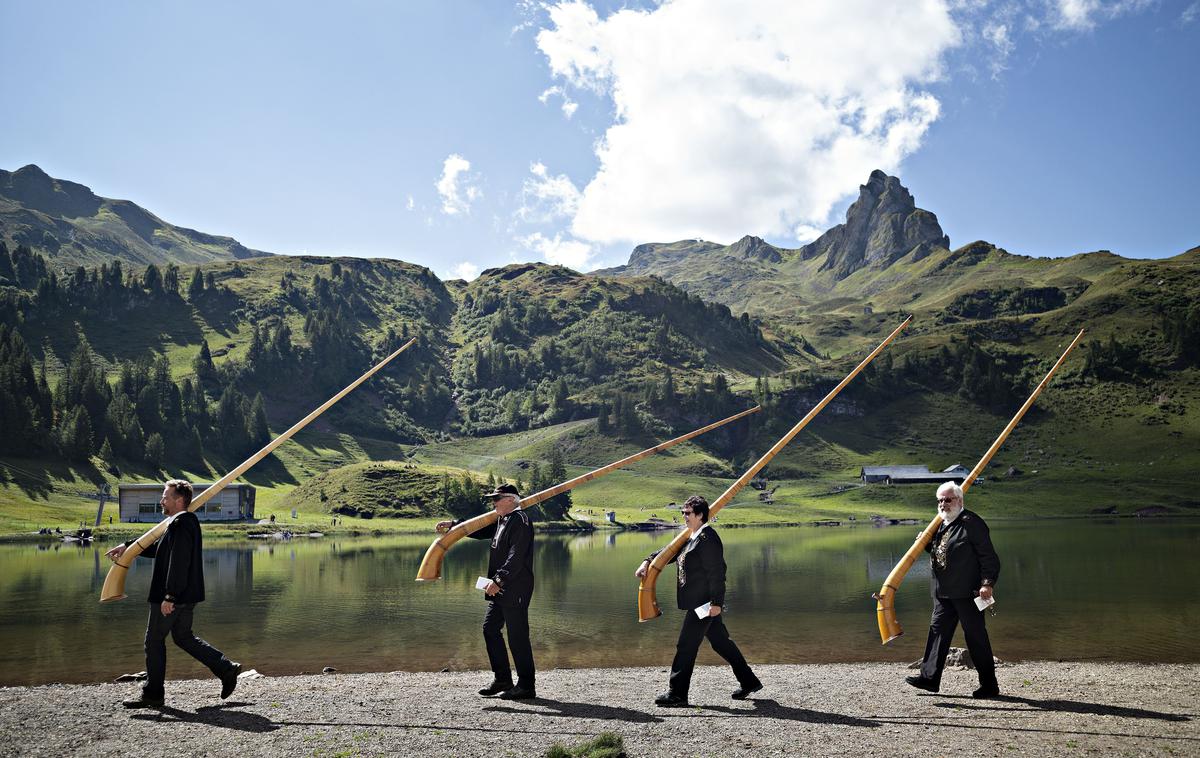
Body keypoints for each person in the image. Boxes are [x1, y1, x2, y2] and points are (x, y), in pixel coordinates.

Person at [105, 480, 241, 708]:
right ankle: (225, 669)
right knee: (183, 637)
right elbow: (160, 549)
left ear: (179, 500)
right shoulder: (180, 522)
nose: (161, 501)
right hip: (185, 595)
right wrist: (127, 547)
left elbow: (179, 562)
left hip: (174, 596)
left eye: (165, 497)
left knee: (154, 640)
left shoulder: (181, 523)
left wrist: (170, 596)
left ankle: (153, 695)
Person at [635, 495, 761, 707]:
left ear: (700, 515)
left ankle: (677, 693)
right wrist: (647, 561)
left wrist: (716, 604)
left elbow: (717, 573)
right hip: (698, 603)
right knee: (721, 643)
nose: (684, 516)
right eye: (683, 513)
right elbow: (667, 553)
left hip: (703, 604)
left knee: (685, 645)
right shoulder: (691, 537)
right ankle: (749, 681)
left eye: (688, 513)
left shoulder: (708, 539)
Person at [435, 483, 536, 700]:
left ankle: (527, 686)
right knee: (490, 629)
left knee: (518, 637)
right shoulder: (502, 519)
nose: (493, 503)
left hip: (515, 586)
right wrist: (454, 525)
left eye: (497, 499)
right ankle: (503, 679)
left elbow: (516, 556)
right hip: (499, 587)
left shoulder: (521, 521)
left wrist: (499, 579)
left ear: (510, 500)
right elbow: (479, 530)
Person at [906, 481, 1001, 699]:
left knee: (976, 637)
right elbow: (943, 553)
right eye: (940, 500)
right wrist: (926, 544)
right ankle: (929, 679)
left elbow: (989, 557)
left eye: (947, 500)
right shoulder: (940, 523)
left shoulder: (972, 523)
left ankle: (989, 685)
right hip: (943, 593)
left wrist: (987, 583)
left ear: (959, 500)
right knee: (937, 633)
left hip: (968, 593)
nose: (943, 504)